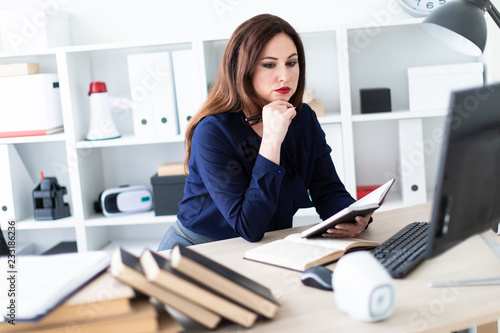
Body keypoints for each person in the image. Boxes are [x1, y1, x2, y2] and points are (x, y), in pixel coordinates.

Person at [157, 14, 372, 251]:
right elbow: (248, 226)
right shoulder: (212, 132)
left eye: (292, 63)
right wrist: (271, 140)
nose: (285, 76)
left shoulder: (304, 118)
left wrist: (353, 217)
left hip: (264, 246)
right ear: (243, 69)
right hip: (198, 250)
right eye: (269, 64)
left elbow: (328, 190)